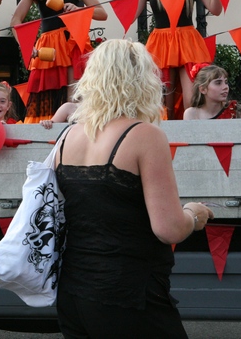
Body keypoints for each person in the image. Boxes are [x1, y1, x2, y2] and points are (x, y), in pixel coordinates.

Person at [54, 39, 213, 337]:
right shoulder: (144, 135)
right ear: (142, 80)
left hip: (73, 294)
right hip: (128, 296)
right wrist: (193, 213)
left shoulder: (67, 137)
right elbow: (168, 229)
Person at [109, 0, 223, 119]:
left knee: (192, 101)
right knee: (162, 105)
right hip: (160, 44)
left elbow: (215, 9)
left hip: (188, 41)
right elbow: (130, 15)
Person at [11, 0, 107, 123]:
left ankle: (75, 137)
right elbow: (16, 19)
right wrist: (26, 45)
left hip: (73, 43)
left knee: (75, 96)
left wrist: (79, 10)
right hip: (49, 47)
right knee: (47, 95)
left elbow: (102, 13)